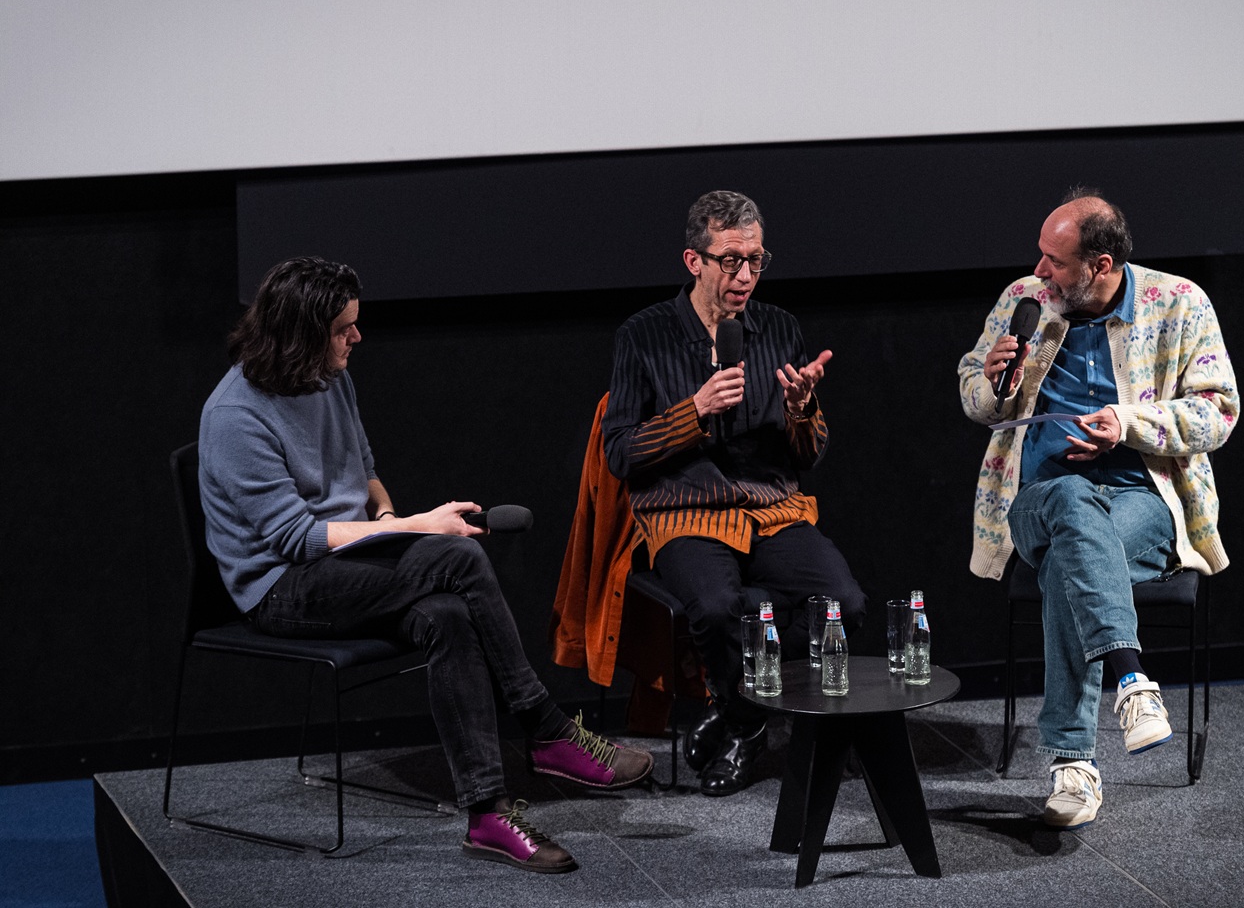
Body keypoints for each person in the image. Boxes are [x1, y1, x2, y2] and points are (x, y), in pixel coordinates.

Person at [198, 256, 652, 873]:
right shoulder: (235, 416)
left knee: (447, 616)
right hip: (281, 587)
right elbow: (296, 538)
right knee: (458, 556)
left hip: (345, 561)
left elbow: (364, 472)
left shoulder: (329, 377)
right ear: (301, 335)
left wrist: (388, 518)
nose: (357, 337)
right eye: (342, 329)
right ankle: (546, 728)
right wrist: (414, 527)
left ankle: (488, 815)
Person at [958, 188, 1239, 829]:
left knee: (1071, 561)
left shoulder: (1181, 302)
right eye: (1040, 256)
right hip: (1039, 498)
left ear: (1101, 265)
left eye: (1055, 262)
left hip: (1144, 500)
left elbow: (1218, 412)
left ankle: (1073, 765)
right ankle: (1131, 679)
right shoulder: (1023, 302)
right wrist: (992, 382)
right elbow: (975, 397)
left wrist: (1129, 424)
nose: (1039, 272)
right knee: (1068, 499)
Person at [601, 190, 867, 796]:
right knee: (719, 608)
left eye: (755, 260)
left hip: (771, 508)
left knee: (844, 603)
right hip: (684, 511)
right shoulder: (643, 335)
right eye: (730, 261)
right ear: (694, 261)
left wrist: (802, 409)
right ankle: (748, 728)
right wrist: (692, 411)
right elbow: (619, 453)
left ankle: (737, 711)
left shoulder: (779, 328)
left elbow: (807, 456)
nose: (744, 275)